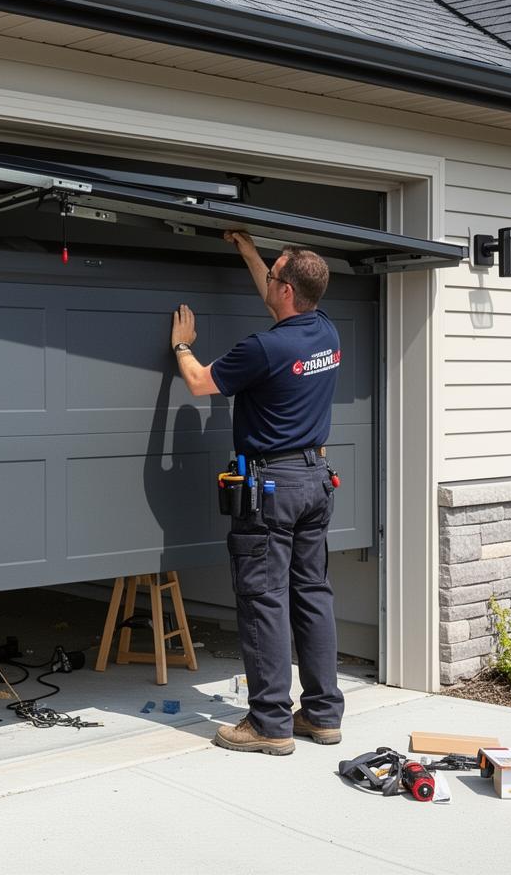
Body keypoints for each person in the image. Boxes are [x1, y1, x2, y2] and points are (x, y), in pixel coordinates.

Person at [169, 230, 344, 756]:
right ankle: (321, 714)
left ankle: (269, 722)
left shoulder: (264, 348)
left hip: (272, 489)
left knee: (264, 601)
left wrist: (181, 345)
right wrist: (250, 254)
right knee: (311, 595)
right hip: (315, 480)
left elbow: (200, 383)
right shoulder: (326, 332)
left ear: (286, 290)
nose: (268, 281)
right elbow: (281, 304)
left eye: (272, 276)